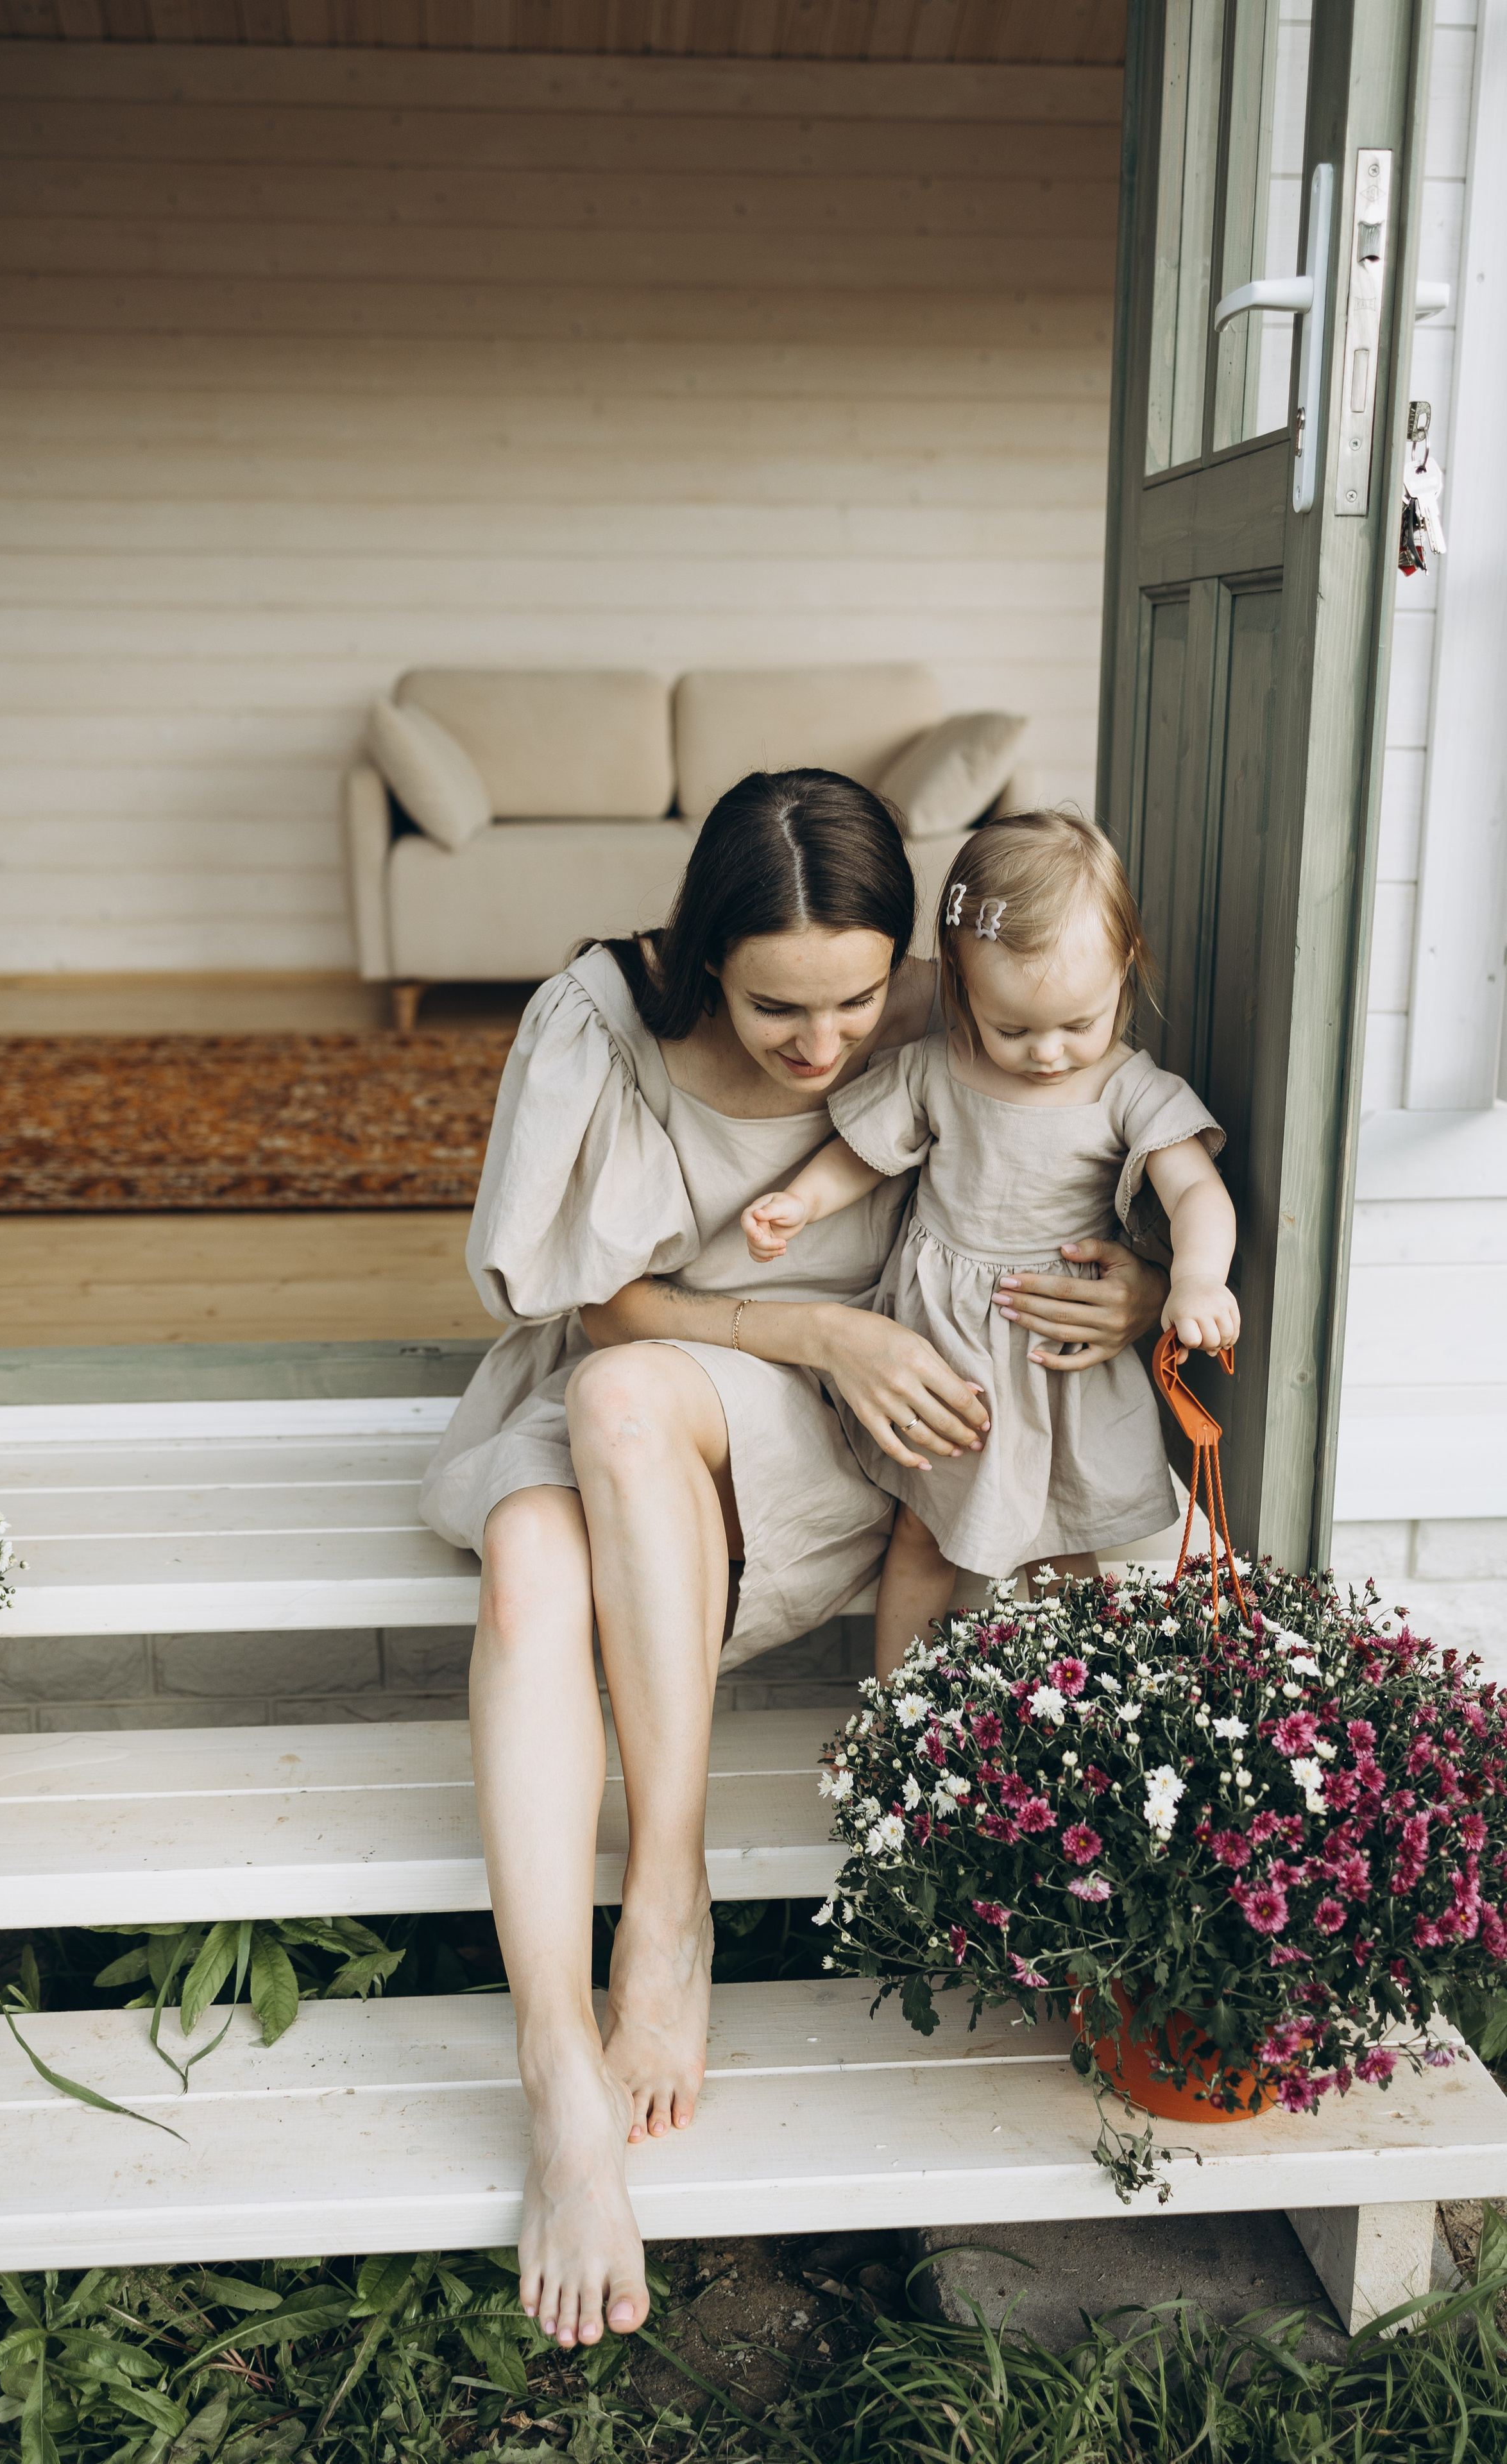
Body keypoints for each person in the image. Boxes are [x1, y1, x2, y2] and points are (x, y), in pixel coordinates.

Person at [420, 773, 1170, 2351]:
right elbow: (591, 1308)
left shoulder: (948, 1005)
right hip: (655, 1374)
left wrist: (1137, 1285)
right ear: (704, 952)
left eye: (856, 996)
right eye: (776, 1006)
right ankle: (563, 2056)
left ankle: (666, 1899)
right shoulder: (602, 1025)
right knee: (534, 1559)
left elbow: (1071, 1139)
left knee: (619, 1428)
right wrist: (812, 1319)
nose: (824, 1043)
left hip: (842, 1437)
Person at [741, 807, 1237, 1676]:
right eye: (1013, 1028)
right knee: (922, 1537)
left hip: (1056, 1351)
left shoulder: (1128, 1089)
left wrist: (1196, 1280)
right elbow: (865, 1155)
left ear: (1125, 970)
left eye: (1076, 1024)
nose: (1047, 1053)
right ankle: (895, 1713)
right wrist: (799, 1201)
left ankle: (1079, 1712)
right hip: (948, 1347)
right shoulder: (943, 1067)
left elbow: (1195, 1187)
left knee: (1063, 1549)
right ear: (963, 987)